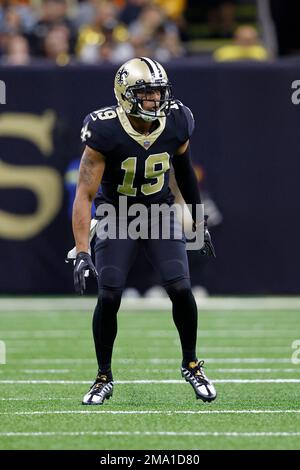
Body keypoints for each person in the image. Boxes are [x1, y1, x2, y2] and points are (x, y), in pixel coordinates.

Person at [72, 57, 217, 405]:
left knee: (181, 287)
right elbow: (85, 194)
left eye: (158, 92)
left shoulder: (177, 120)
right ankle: (103, 376)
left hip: (159, 210)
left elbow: (183, 172)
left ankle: (192, 364)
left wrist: (197, 220)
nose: (155, 100)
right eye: (146, 93)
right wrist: (81, 249)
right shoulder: (104, 128)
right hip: (116, 214)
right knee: (109, 295)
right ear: (125, 94)